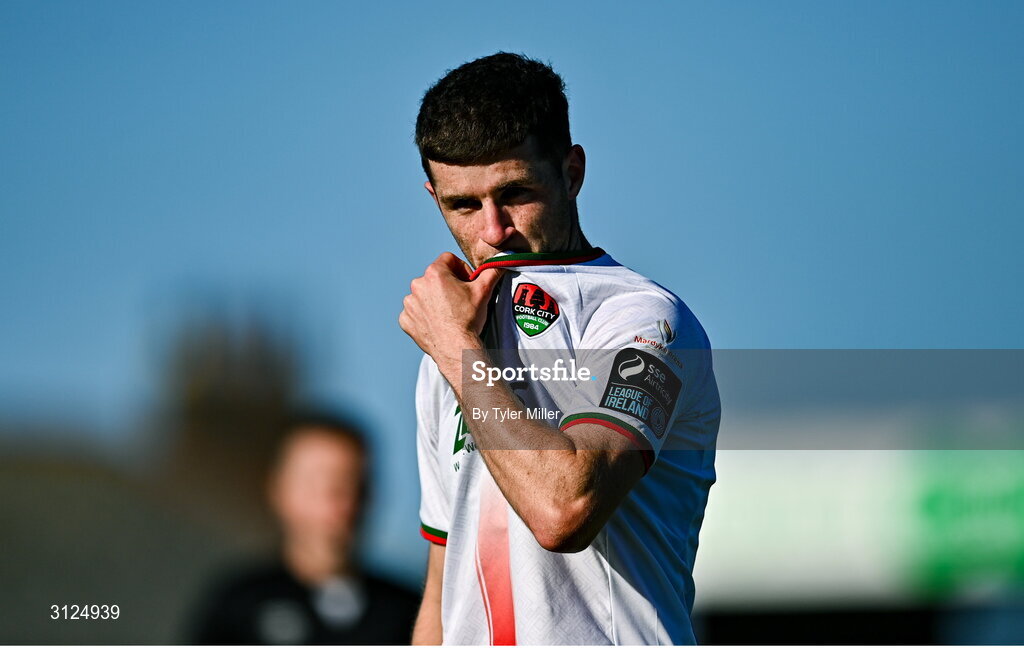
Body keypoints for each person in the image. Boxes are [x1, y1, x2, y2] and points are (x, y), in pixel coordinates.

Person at [400, 52, 721, 645]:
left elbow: (564, 510)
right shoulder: (449, 345)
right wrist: (452, 347)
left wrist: (452, 349)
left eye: (515, 192)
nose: (492, 229)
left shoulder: (642, 319)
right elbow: (446, 587)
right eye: (463, 205)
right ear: (433, 196)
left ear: (571, 172)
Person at [190, 412, 419, 645]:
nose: (337, 503)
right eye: (317, 484)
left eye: (352, 484)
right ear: (278, 490)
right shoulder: (239, 606)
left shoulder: (408, 614)